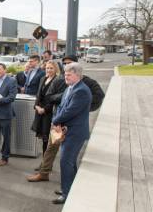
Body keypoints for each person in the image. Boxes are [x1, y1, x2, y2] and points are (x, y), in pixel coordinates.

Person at [30, 55, 104, 184]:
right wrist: (65, 97)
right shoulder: (59, 80)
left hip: (72, 125)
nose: (66, 66)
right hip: (58, 122)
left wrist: (84, 108)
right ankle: (44, 173)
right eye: (64, 63)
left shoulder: (86, 81)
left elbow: (99, 94)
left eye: (70, 63)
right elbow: (49, 96)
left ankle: (69, 185)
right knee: (51, 148)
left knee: (68, 158)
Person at [50, 62, 92, 204]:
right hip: (68, 131)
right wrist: (57, 121)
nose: (65, 77)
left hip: (75, 133)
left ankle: (66, 194)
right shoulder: (71, 87)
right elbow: (62, 107)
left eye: (69, 74)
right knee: (69, 162)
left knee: (65, 162)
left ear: (78, 75)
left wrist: (55, 121)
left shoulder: (81, 91)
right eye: (65, 74)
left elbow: (70, 111)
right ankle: (69, 188)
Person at [30, 60, 63, 156]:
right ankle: (44, 162)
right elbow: (38, 94)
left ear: (55, 69)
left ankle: (45, 164)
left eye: (51, 68)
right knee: (43, 139)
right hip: (39, 111)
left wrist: (44, 109)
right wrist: (36, 106)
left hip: (49, 113)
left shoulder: (58, 80)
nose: (49, 70)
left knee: (48, 138)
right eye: (47, 68)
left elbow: (55, 99)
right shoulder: (42, 79)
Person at [0, 63, 17, 166]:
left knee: (6, 137)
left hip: (5, 114)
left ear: (5, 70)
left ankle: (5, 158)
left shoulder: (11, 81)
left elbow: (12, 97)